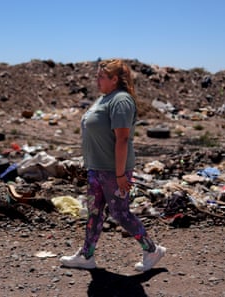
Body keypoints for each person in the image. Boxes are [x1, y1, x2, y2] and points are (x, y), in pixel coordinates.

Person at [60, 59, 166, 272]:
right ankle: (86, 256)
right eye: (97, 75)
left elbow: (123, 139)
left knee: (120, 213)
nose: (96, 80)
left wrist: (120, 175)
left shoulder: (121, 101)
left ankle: (152, 249)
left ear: (114, 79)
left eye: (101, 76)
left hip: (113, 170)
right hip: (97, 168)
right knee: (94, 212)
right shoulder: (103, 99)